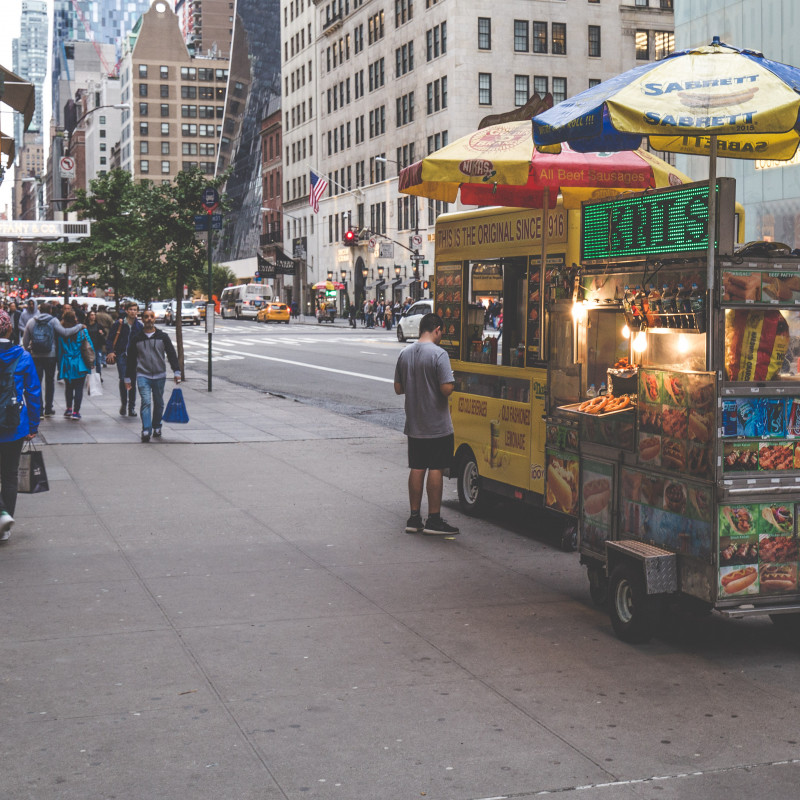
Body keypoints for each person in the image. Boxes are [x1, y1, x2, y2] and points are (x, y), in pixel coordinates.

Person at [393, 313, 459, 536]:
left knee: (417, 467)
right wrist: (454, 380)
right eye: (442, 332)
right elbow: (446, 389)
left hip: (414, 423)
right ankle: (433, 519)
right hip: (437, 425)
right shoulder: (439, 354)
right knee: (436, 468)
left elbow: (398, 388)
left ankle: (413, 518)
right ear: (437, 329)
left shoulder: (405, 353)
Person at [0, 310, 41, 541]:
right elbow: (33, 393)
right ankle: (5, 527)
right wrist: (33, 425)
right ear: (9, 329)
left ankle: (1, 514)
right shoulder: (22, 356)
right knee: (9, 475)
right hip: (15, 425)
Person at [124, 308, 181, 442]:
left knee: (159, 402)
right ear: (142, 319)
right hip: (142, 375)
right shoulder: (136, 338)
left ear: (154, 319)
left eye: (151, 317)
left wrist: (177, 372)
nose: (149, 319)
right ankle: (146, 429)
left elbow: (172, 354)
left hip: (159, 374)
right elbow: (131, 359)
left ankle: (157, 426)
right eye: (146, 317)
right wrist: (127, 377)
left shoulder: (163, 337)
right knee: (146, 402)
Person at [21, 301, 83, 417]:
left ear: (39, 310)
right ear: (50, 310)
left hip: (36, 356)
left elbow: (25, 340)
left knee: (37, 383)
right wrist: (79, 326)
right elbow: (65, 333)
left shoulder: (31, 321)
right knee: (50, 382)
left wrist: (29, 350)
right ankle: (49, 408)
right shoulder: (53, 321)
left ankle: (39, 410)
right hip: (51, 355)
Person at [105, 301, 143, 417]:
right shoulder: (119, 324)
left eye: (135, 310)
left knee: (132, 380)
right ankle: (124, 403)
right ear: (126, 311)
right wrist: (110, 351)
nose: (133, 312)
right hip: (121, 355)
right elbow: (110, 339)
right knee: (123, 379)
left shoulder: (139, 326)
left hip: (134, 357)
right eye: (131, 309)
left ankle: (131, 407)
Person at [56, 306, 93, 421]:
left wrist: (59, 364)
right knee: (78, 388)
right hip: (79, 362)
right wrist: (92, 361)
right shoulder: (82, 331)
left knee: (68, 387)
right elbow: (89, 346)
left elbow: (59, 350)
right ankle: (76, 411)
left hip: (66, 362)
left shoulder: (61, 332)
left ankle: (68, 408)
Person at [84, 310, 106, 379]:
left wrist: (102, 333)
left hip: (97, 346)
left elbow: (104, 333)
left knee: (98, 362)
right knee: (88, 362)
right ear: (88, 316)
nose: (93, 316)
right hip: (88, 346)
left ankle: (99, 376)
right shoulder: (85, 326)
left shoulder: (98, 325)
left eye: (94, 315)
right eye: (91, 315)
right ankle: (88, 376)